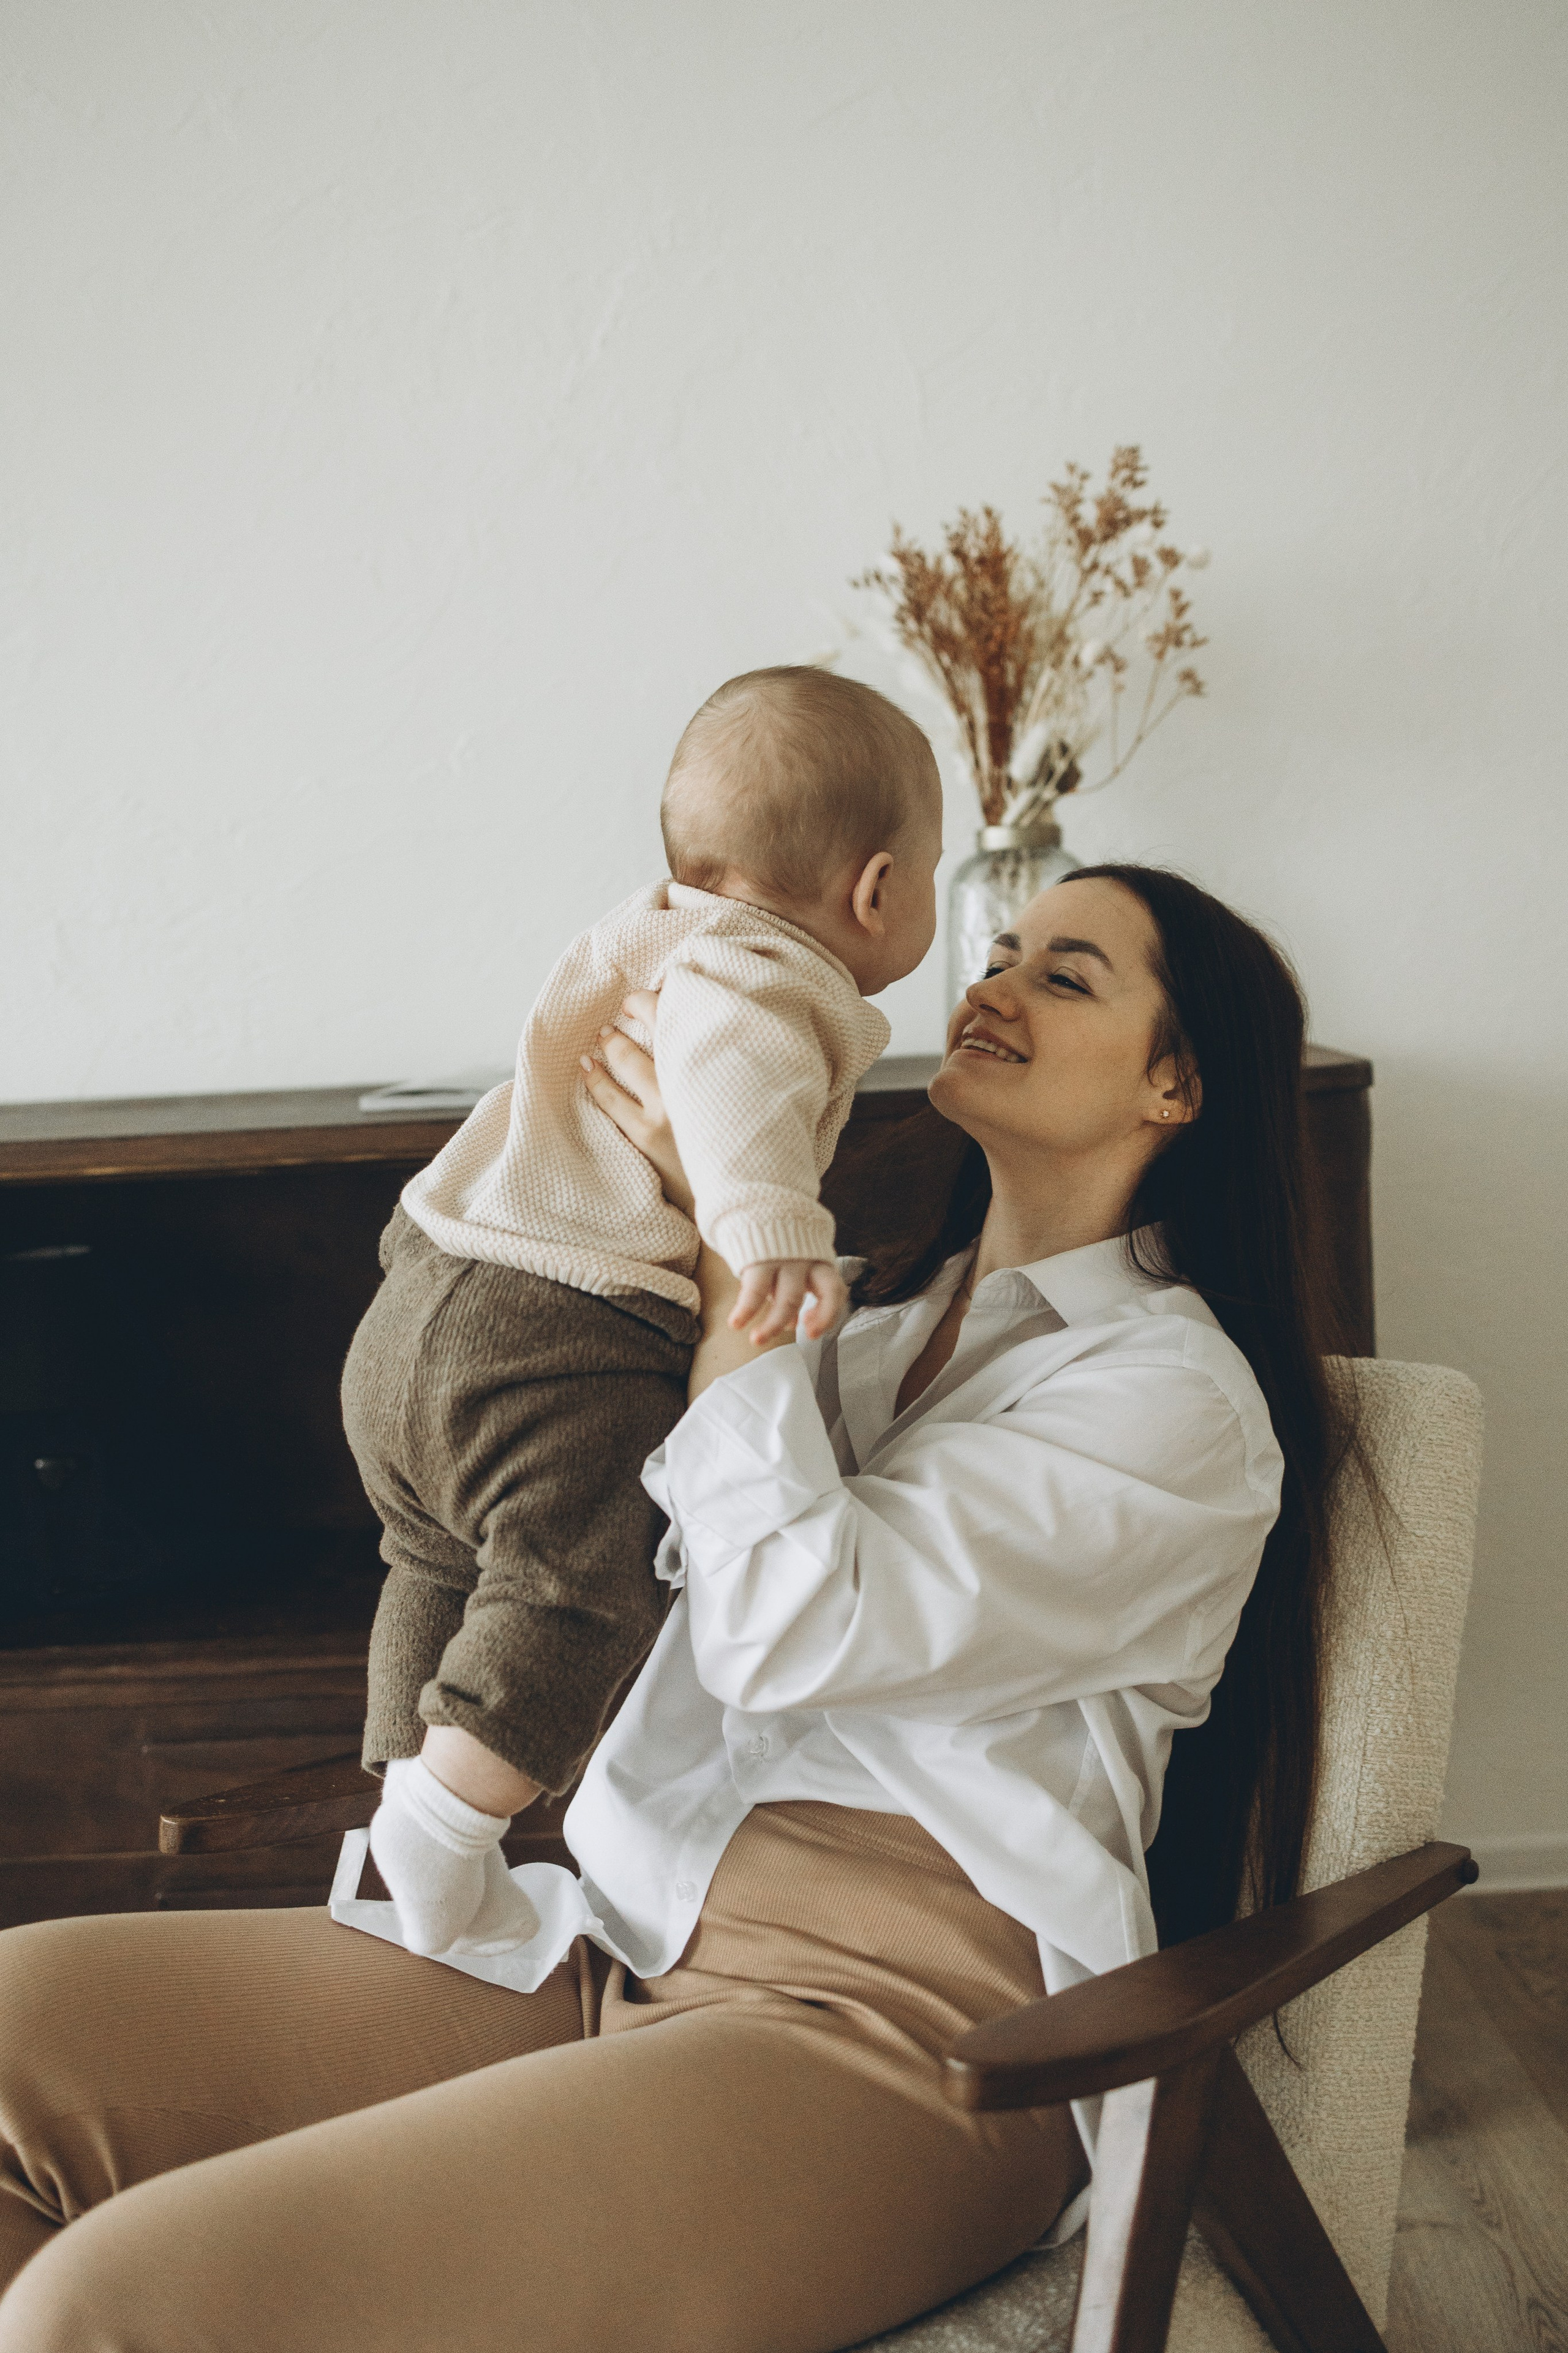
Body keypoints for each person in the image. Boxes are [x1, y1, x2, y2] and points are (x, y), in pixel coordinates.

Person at [0, 867, 1343, 2353]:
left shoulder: (1173, 1407)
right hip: (606, 1938)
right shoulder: (867, 1336)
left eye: (1065, 975)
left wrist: (735, 1260)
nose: (992, 984)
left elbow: (791, 1622)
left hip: (892, 2041)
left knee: (104, 2308)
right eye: (1001, 950)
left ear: (1178, 1080)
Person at [341, 666, 942, 1959]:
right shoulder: (763, 975)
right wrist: (769, 1227)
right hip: (549, 1334)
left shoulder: (662, 933)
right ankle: (446, 1824)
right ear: (879, 888)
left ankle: (404, 1782)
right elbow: (730, 1084)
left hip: (420, 1300)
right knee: (586, 1570)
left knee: (441, 1556)